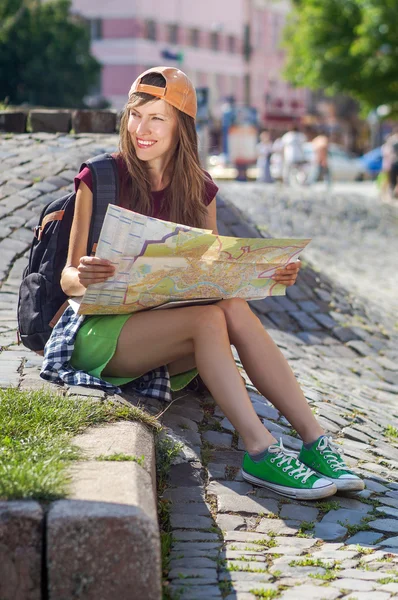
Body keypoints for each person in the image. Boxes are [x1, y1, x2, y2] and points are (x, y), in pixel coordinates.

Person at [40, 66, 364, 500]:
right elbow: (67, 278)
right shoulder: (99, 177)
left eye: (158, 118)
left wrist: (267, 275)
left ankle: (314, 440)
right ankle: (260, 449)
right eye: (136, 115)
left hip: (164, 330)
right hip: (97, 333)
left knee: (227, 308)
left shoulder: (199, 191)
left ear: (181, 128)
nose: (143, 129)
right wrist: (85, 274)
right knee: (208, 321)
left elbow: (211, 280)